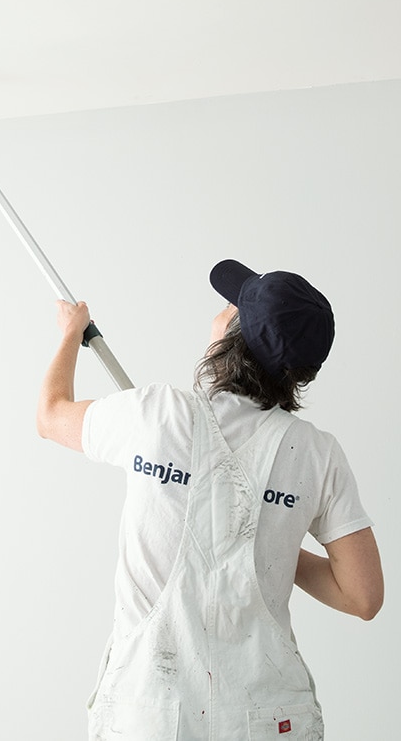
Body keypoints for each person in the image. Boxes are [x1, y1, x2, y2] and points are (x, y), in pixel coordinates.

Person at [36, 259, 383, 740]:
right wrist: (270, 538)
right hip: (267, 719)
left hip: (151, 715)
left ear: (233, 336)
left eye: (229, 307)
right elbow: (361, 595)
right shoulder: (316, 453)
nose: (218, 314)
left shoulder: (157, 414)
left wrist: (70, 333)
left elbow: (51, 416)